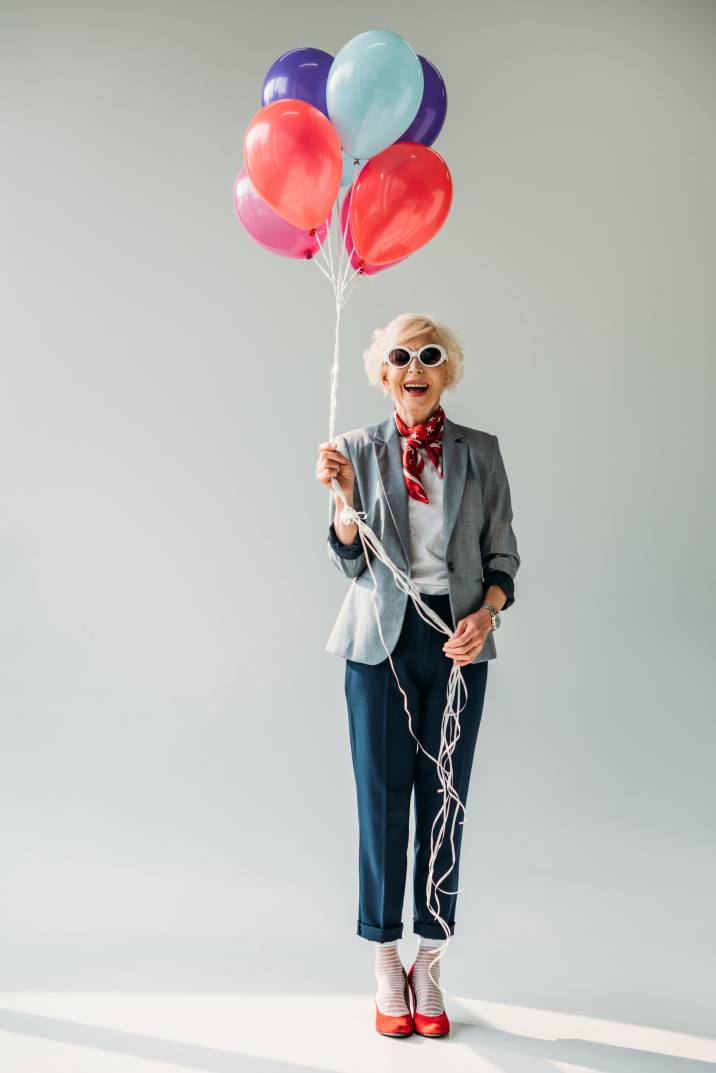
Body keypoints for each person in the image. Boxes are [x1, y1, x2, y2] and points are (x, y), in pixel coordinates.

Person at [316, 313, 521, 1038]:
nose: (415, 365)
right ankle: (384, 957)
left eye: (429, 354)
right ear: (382, 372)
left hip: (457, 646)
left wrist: (487, 614)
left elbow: (504, 557)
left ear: (447, 371)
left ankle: (430, 959)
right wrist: (342, 512)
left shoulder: (481, 452)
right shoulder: (356, 450)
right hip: (379, 644)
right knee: (382, 803)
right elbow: (351, 559)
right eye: (400, 355)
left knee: (445, 801)